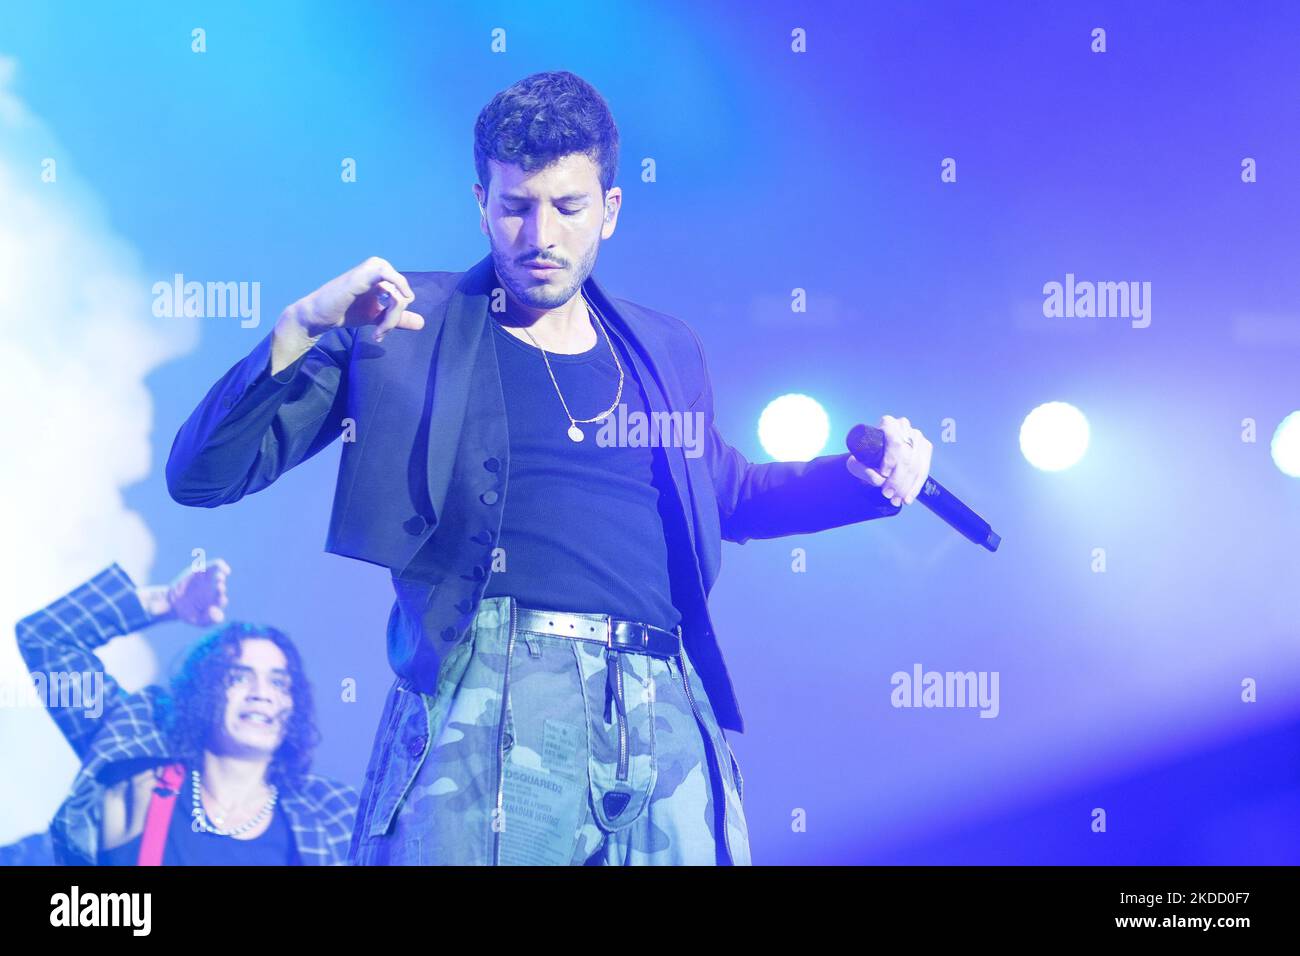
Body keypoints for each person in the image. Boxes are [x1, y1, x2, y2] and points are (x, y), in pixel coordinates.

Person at [166, 70, 934, 865]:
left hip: (663, 700)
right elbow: (204, 476)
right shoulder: (403, 325)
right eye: (515, 207)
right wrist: (300, 327)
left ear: (610, 208)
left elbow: (728, 494)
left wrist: (860, 483)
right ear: (480, 204)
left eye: (568, 207)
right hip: (493, 689)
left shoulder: (661, 348)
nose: (541, 235)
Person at [15, 559, 358, 865]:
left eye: (279, 683)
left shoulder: (334, 817)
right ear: (204, 691)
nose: (261, 694)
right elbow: (46, 638)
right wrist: (166, 602)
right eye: (239, 676)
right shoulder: (136, 744)